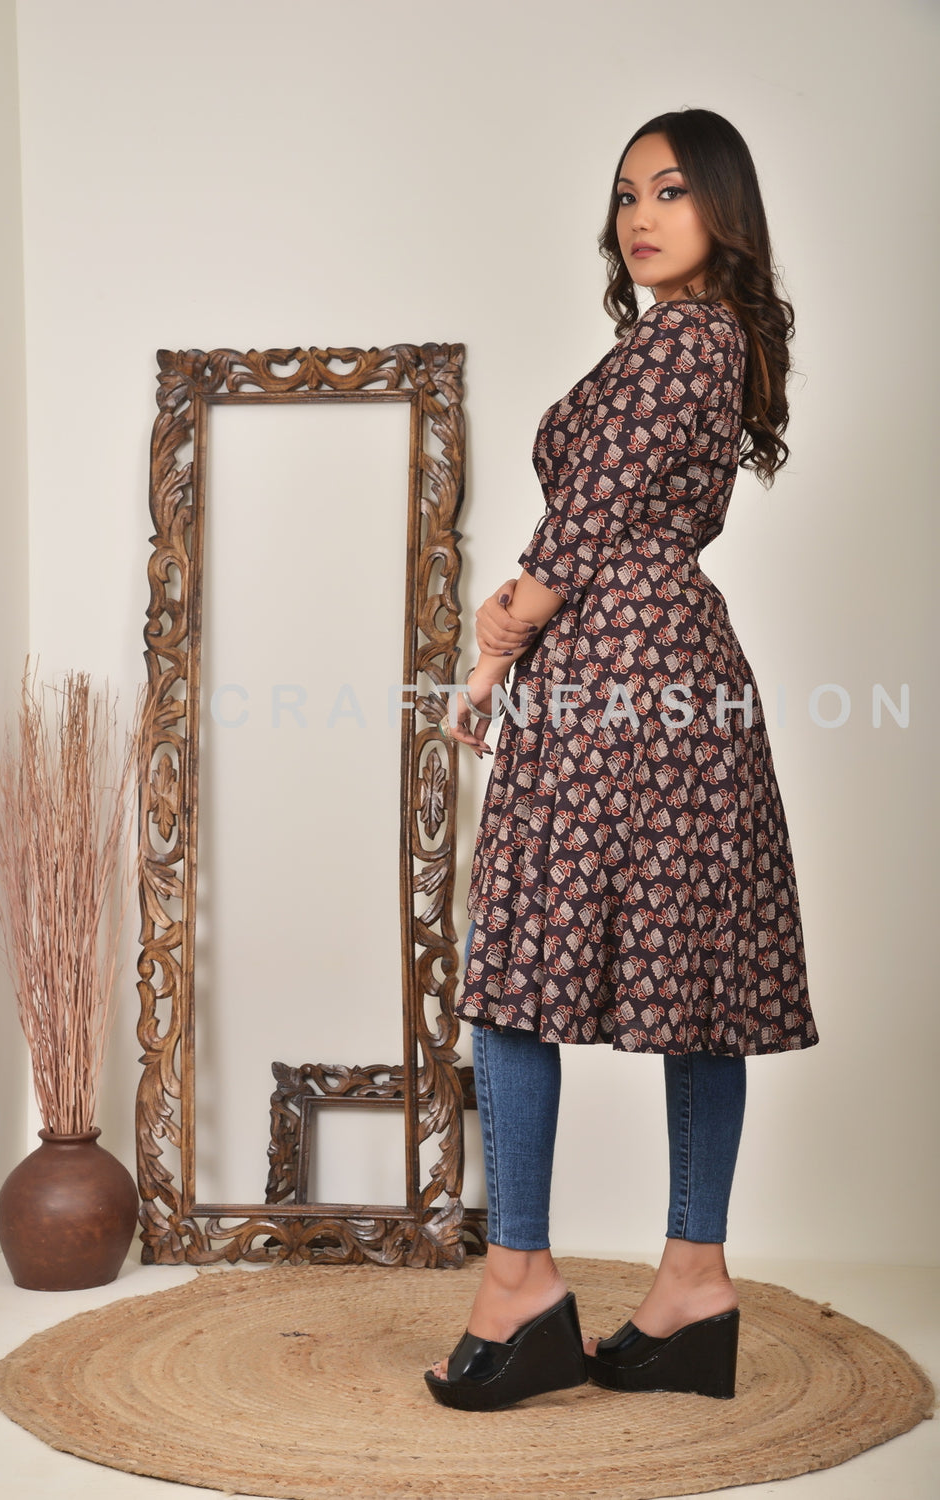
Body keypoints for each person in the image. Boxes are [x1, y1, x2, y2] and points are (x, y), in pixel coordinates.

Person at [423, 108, 820, 1412]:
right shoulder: (710, 340)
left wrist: (499, 635)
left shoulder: (686, 340)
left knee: (518, 961)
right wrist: (518, 628)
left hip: (620, 675)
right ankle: (691, 1288)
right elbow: (603, 514)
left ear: (723, 210)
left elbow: (586, 519)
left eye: (671, 190)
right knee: (691, 971)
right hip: (666, 669)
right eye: (626, 193)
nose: (640, 215)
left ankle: (521, 1286)